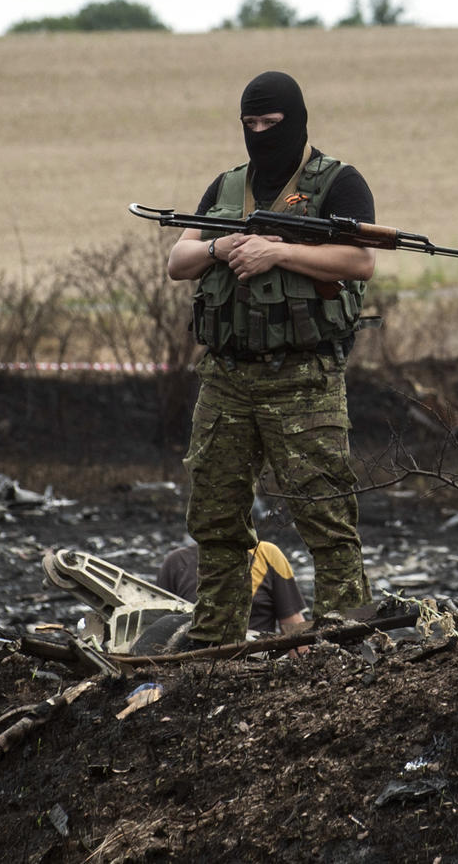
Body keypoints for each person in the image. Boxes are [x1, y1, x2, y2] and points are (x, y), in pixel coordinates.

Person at [164, 70, 374, 648]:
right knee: (216, 518)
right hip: (226, 378)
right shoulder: (228, 187)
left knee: (326, 515)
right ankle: (216, 645)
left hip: (304, 377)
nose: (259, 133)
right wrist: (220, 246)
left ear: (296, 121)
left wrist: (278, 253)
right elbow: (179, 261)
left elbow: (360, 261)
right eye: (249, 123)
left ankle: (345, 639)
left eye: (271, 123)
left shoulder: (339, 183)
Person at [156, 541, 307, 638]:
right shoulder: (176, 562)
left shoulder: (267, 554)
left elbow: (294, 626)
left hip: (257, 660)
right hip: (192, 661)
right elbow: (157, 629)